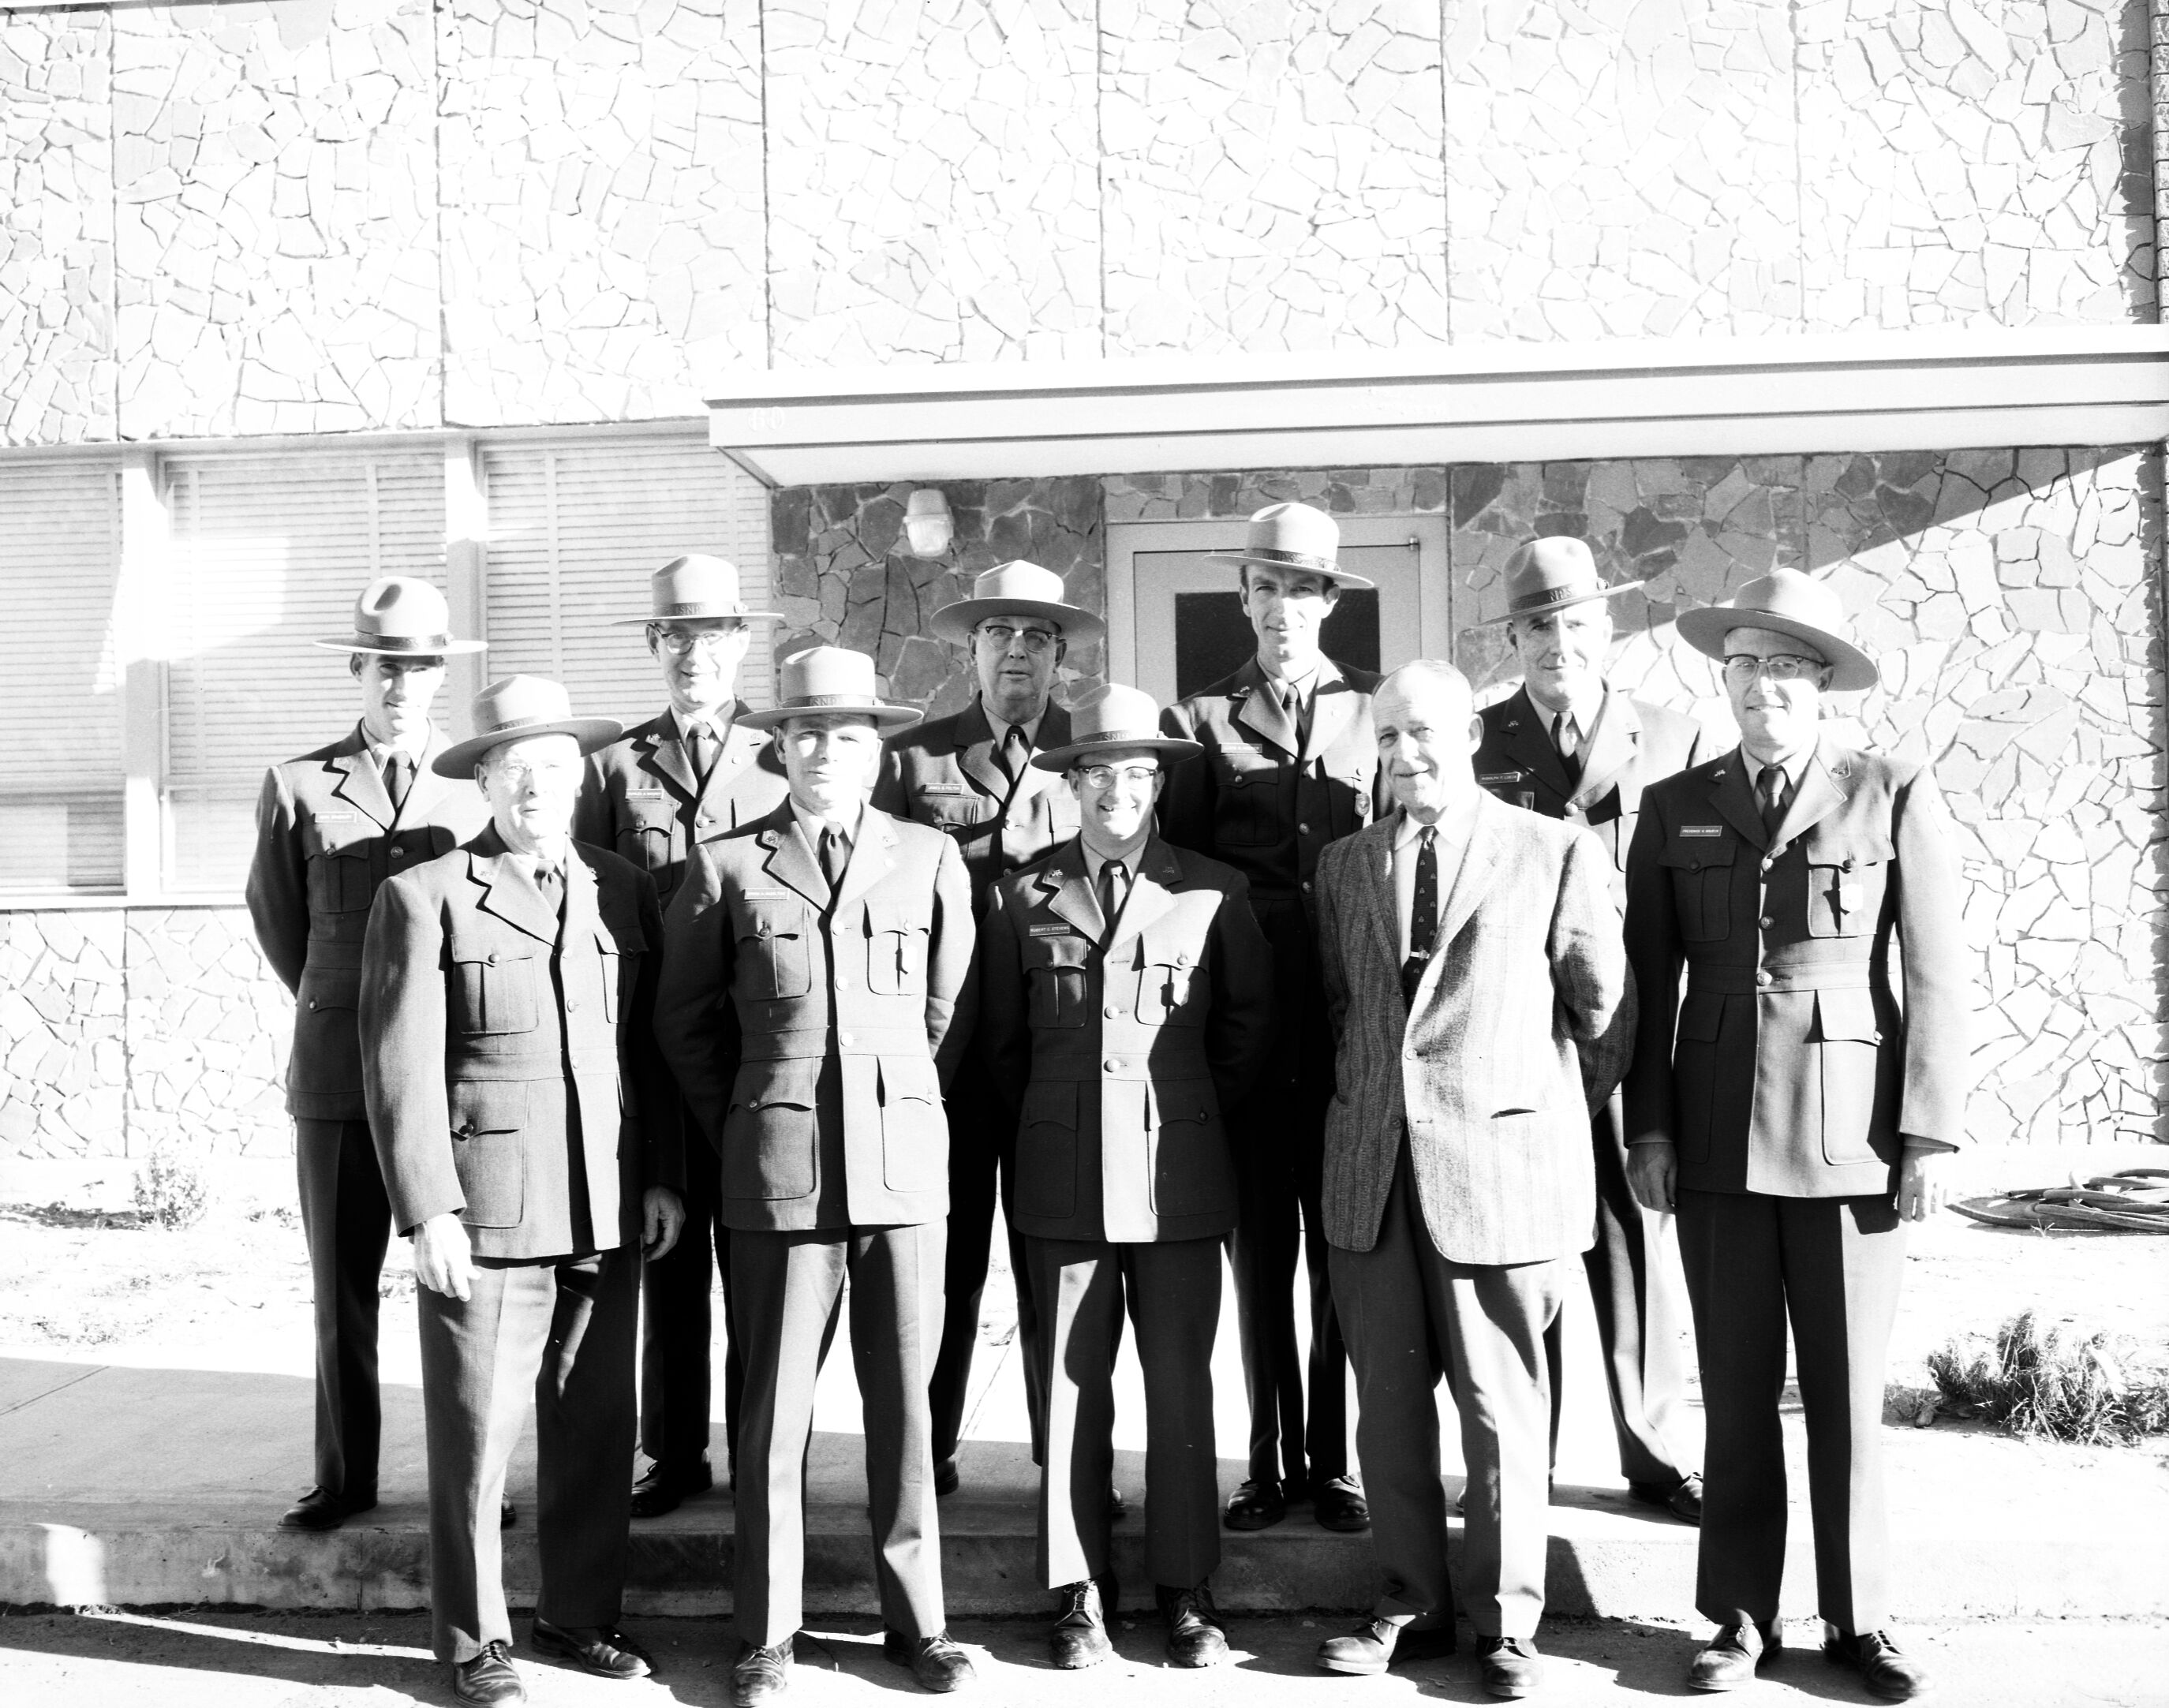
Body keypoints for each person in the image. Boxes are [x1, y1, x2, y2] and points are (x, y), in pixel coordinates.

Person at [1622, 570, 1966, 1702]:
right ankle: (1736, 1618)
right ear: (1719, 682)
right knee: (1732, 1390)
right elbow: (1649, 984)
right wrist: (1651, 1134)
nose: (1763, 687)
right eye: (1745, 666)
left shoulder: (1890, 790)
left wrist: (1924, 1139)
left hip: (1848, 1139)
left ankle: (1859, 1620)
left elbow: (1931, 976)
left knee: (1843, 1391)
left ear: (1820, 687)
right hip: (1715, 1133)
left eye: (1786, 667)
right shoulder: (1673, 807)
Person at [653, 646, 978, 1706]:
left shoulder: (928, 858)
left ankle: (917, 1625)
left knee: (906, 1409)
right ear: (779, 748)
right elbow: (686, 1024)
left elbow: (948, 1014)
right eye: (805, 735)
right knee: (772, 1412)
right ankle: (767, 1633)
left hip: (898, 1173)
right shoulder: (727, 865)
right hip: (778, 1175)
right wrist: (754, 1114)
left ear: (875, 751)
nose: (824, 752)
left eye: (845, 735)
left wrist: (896, 1100)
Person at [359, 675, 686, 1706]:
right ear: (487, 778)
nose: (537, 783)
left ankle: (579, 1613)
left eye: (555, 764)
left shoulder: (620, 887)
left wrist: (665, 1176)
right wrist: (428, 1208)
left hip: (606, 1198)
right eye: (517, 766)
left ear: (580, 777)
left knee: (596, 1424)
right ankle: (474, 1644)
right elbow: (398, 1067)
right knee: (476, 1435)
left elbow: (650, 1048)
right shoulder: (426, 894)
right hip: (489, 1207)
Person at [1314, 660, 1633, 1700]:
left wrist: (1529, 1121)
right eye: (1391, 735)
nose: (1408, 754)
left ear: (1469, 737)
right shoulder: (1344, 864)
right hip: (1376, 1175)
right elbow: (1345, 1016)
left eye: (1427, 734)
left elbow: (1603, 1016)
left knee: (1502, 1410)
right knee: (1391, 1410)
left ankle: (1506, 1624)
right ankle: (1410, 1604)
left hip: (1499, 1176)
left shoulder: (1550, 850)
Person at [977, 684, 1274, 1671]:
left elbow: (1243, 1034)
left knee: (1182, 1387)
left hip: (1178, 1169)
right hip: (1061, 1175)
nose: (1117, 790)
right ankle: (1077, 1592)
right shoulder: (1020, 894)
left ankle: (1187, 1591)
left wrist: (1179, 1116)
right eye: (1096, 771)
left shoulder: (1212, 890)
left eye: (1136, 773)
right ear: (1071, 785)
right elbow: (1004, 1046)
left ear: (1159, 783)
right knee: (1069, 1388)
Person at [245, 575, 491, 1534]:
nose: (402, 684)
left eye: (421, 666)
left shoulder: (473, 783)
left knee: (463, 1285)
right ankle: (343, 1476)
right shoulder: (298, 784)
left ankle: (475, 1481)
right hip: (341, 1074)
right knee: (342, 1288)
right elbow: (281, 925)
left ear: (440, 677)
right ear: (358, 668)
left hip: (448, 1078)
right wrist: (349, 1005)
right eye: (387, 665)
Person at [1158, 501, 1384, 1535]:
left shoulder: (1375, 720)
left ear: (1328, 601)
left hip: (1347, 1039)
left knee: (1341, 1253)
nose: (1284, 607)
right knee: (1259, 1259)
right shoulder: (1198, 724)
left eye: (1303, 588)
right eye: (1267, 588)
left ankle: (1331, 1461)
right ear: (1243, 599)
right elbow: (1187, 884)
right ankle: (1263, 1462)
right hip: (1247, 1040)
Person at [1472, 536, 1706, 1523]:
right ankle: (1521, 1458)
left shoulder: (1674, 735)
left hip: (1633, 1021)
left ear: (1606, 627)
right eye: (1536, 627)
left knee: (1634, 1234)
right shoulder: (1480, 741)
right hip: (1523, 1031)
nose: (1556, 643)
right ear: (1514, 638)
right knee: (1521, 1252)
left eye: (1574, 623)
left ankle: (1654, 1451)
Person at [871, 560, 1098, 1496]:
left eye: (1037, 636)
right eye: (999, 633)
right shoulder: (917, 759)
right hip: (952, 1056)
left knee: (1054, 1267)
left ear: (1060, 657)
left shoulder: (1095, 753)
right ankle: (934, 1448)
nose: (1017, 650)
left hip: (1056, 1048)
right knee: (950, 1269)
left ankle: (1065, 1454)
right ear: (972, 649)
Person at [574, 554, 791, 1519]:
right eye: (671, 634)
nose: (689, 653)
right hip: (653, 1053)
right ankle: (672, 1448)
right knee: (666, 1257)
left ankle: (757, 1444)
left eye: (708, 634)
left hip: (753, 1050)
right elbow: (592, 898)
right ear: (654, 645)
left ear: (742, 642)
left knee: (755, 1260)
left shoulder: (784, 754)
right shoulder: (615, 766)